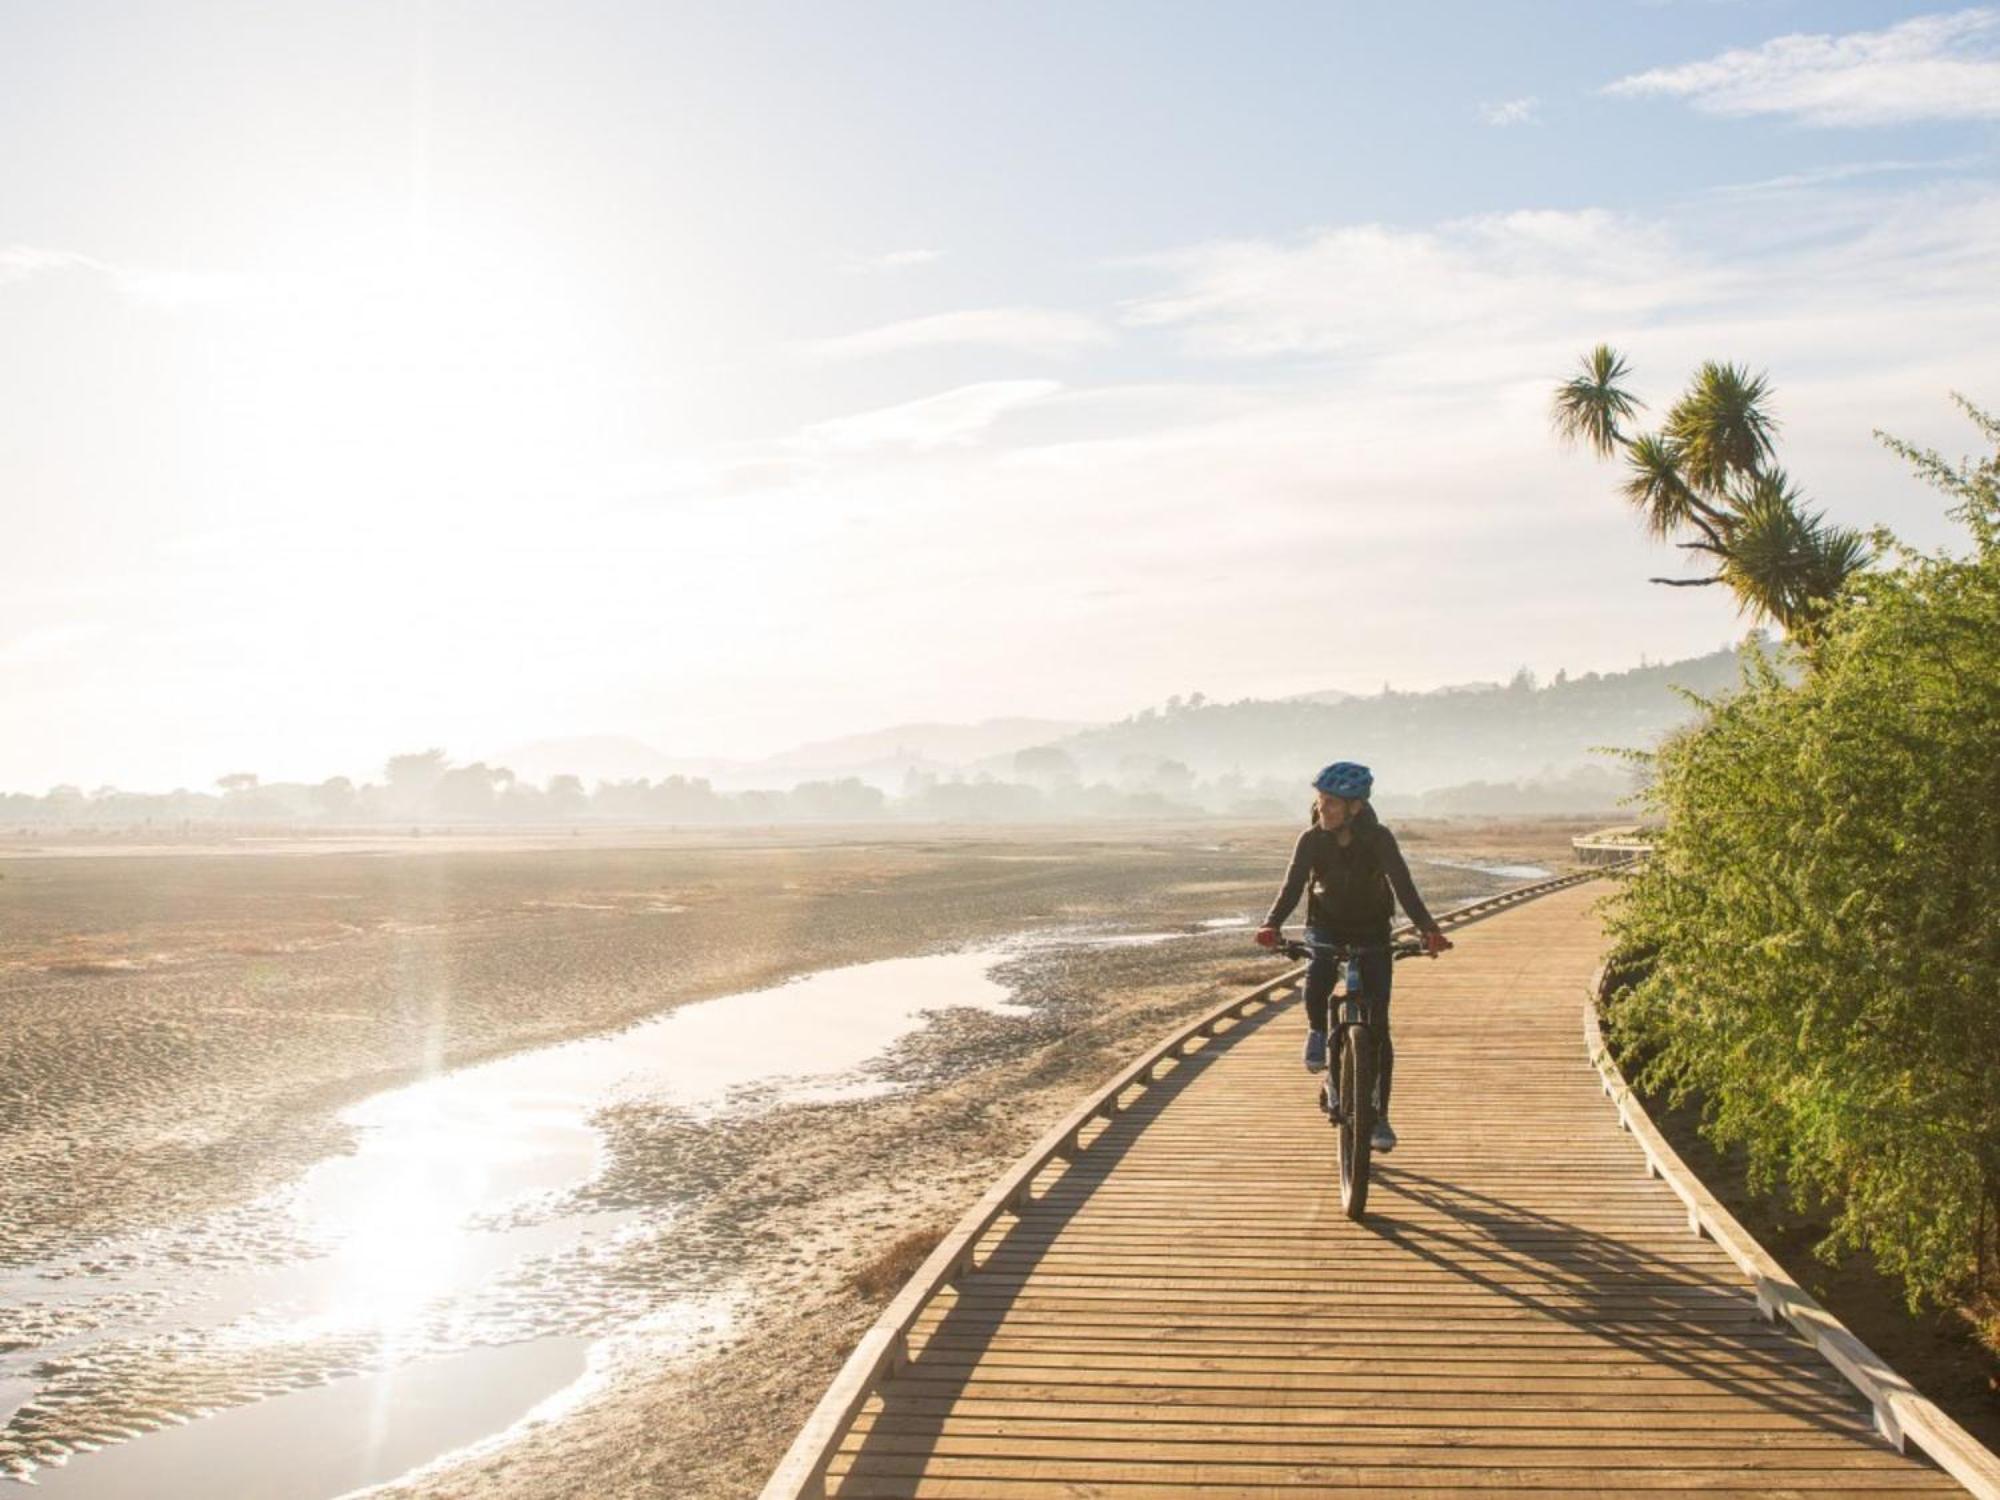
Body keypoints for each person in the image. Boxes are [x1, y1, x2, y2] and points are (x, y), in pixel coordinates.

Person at [1255, 761, 1450, 1153]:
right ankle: (1316, 1032)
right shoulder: (1311, 840)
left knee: (1378, 1027)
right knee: (1320, 970)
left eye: (1330, 803)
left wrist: (1428, 929)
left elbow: (1403, 884)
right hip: (1325, 925)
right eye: (1320, 801)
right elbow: (1293, 886)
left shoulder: (1378, 839)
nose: (1321, 809)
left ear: (1354, 808)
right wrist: (1271, 924)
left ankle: (1379, 1117)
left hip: (1373, 930)